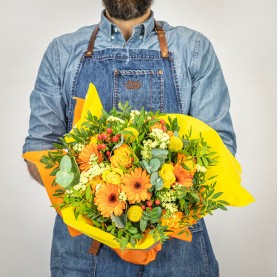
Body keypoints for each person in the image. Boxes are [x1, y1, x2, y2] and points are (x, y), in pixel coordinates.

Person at [23, 0, 237, 276]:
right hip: (86, 257)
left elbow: (221, 148)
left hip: (177, 255)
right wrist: (93, 202)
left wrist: (163, 208)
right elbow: (40, 150)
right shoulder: (62, 52)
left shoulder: (193, 49)